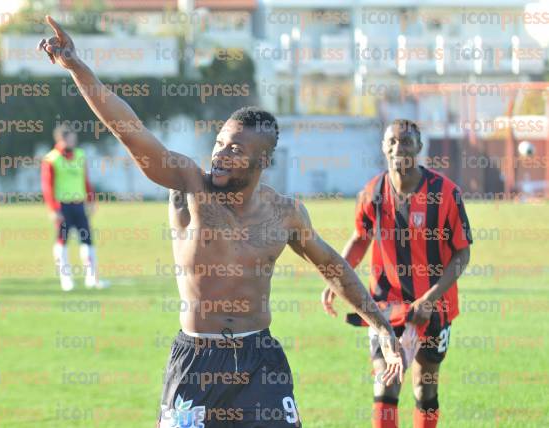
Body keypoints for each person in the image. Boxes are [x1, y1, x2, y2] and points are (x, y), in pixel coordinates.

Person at [38, 16, 404, 427]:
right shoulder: (188, 184)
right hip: (196, 360)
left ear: (262, 160)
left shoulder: (286, 212)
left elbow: (332, 265)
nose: (221, 154)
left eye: (235, 148)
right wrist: (77, 67)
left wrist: (383, 329)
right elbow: (128, 129)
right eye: (219, 143)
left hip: (260, 360)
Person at [321, 119, 472, 428]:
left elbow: (462, 253)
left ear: (419, 147)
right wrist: (335, 278)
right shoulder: (373, 192)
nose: (397, 147)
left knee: (423, 385)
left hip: (434, 307)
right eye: (391, 141)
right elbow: (360, 237)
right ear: (382, 146)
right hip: (385, 307)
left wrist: (429, 300)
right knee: (385, 382)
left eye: (405, 142)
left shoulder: (445, 194)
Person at [41, 123, 100, 291]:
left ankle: (92, 279)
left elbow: (85, 180)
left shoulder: (80, 155)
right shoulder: (51, 159)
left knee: (87, 240)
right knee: (62, 242)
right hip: (62, 206)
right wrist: (53, 209)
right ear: (62, 139)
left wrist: (91, 200)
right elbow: (47, 186)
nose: (74, 140)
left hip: (79, 205)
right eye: (71, 137)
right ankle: (66, 280)